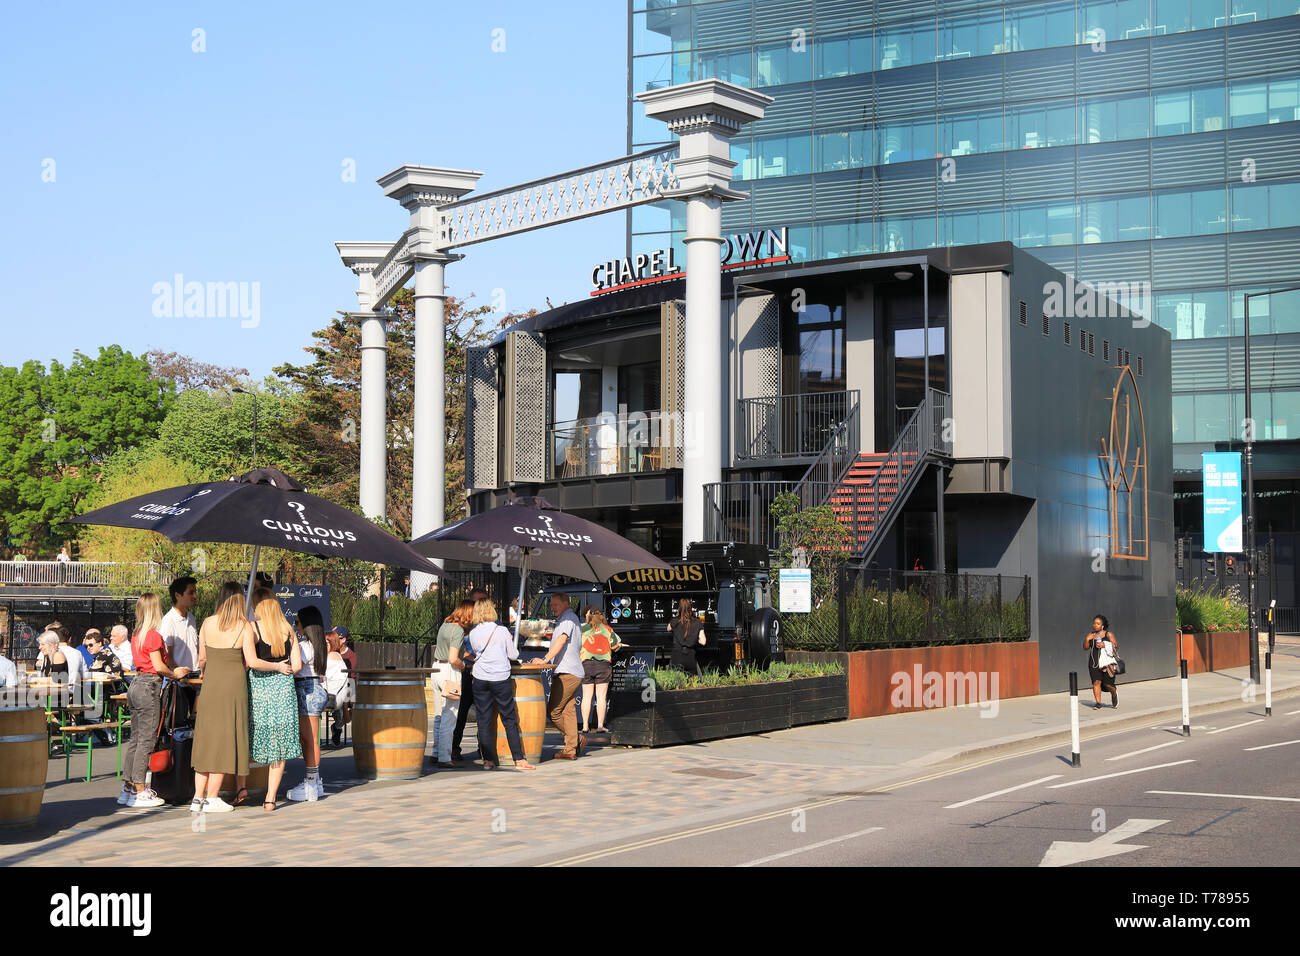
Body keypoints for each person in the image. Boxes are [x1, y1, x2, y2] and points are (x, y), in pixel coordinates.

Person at [118, 593, 191, 809]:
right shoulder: (153, 636)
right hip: (150, 685)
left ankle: (129, 788)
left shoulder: (137, 633)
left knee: (135, 739)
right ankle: (141, 789)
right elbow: (159, 666)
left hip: (136, 684)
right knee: (147, 740)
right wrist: (175, 673)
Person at [190, 582, 252, 813]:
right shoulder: (244, 627)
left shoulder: (207, 623)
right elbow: (250, 661)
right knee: (226, 739)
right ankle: (213, 797)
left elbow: (201, 659)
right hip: (233, 685)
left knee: (206, 738)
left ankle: (198, 798)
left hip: (211, 684)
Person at [246, 592, 303, 811]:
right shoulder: (287, 629)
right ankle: (270, 798)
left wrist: (274, 666)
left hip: (260, 690)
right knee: (279, 746)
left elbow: (252, 661)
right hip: (283, 690)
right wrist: (282, 667)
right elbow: (297, 665)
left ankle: (245, 788)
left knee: (259, 737)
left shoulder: (253, 629)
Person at [465, 598, 534, 770]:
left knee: (483, 719)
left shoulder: (473, 633)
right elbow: (512, 655)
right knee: (509, 718)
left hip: (480, 677)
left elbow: (476, 652)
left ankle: (488, 760)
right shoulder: (502, 631)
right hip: (500, 677)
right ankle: (518, 759)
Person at [536, 593, 586, 760]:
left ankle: (575, 741)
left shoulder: (567, 619)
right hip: (573, 670)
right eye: (552, 604)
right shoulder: (568, 618)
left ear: (566, 603)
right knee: (569, 711)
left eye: (556, 604)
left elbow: (561, 641)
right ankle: (571, 748)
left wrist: (545, 660)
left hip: (567, 672)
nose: (552, 607)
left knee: (554, 712)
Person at [287, 605, 328, 801]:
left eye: (297, 623)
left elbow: (295, 667)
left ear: (305, 625)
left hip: (306, 689)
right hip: (315, 688)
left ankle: (311, 782)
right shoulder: (320, 644)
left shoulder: (304, 646)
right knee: (311, 739)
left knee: (309, 741)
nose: (296, 626)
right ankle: (315, 781)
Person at [431, 600, 472, 766]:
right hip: (449, 671)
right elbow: (454, 658)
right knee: (450, 715)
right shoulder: (458, 630)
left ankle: (436, 752)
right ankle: (444, 757)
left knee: (439, 714)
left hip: (436, 668)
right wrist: (463, 666)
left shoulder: (445, 625)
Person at [579, 608, 622, 734]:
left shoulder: (584, 628)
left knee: (586, 697)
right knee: (601, 697)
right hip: (603, 665)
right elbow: (615, 646)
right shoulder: (608, 630)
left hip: (586, 664)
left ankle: (585, 726)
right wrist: (619, 646)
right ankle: (600, 726)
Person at [160, 576, 199, 671]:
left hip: (195, 678)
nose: (195, 596)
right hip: (180, 681)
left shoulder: (191, 618)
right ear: (177, 595)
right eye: (190, 593)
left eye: (195, 592)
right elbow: (167, 658)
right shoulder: (168, 620)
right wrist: (181, 676)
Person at [322, 629, 352, 749]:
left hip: (331, 699)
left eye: (325, 643)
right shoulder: (339, 657)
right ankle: (338, 726)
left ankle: (307, 739)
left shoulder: (327, 659)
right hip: (339, 697)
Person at [1083, 615, 1120, 709]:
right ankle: (1098, 703)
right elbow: (1085, 648)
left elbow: (1115, 646)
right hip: (1094, 663)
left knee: (1108, 684)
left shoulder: (1108, 634)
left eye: (1098, 623)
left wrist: (1105, 644)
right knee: (1096, 682)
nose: (1095, 625)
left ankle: (1114, 693)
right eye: (1094, 623)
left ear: (1102, 625)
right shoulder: (1091, 635)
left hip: (1106, 663)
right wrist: (1087, 639)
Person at [668, 598, 705, 673]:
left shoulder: (675, 621)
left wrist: (677, 615)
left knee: (676, 682)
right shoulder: (698, 622)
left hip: (676, 657)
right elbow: (703, 642)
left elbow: (668, 628)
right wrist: (693, 638)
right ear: (691, 608)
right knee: (691, 682)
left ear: (679, 608)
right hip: (690, 657)